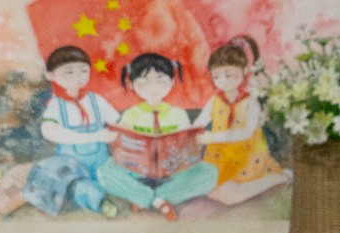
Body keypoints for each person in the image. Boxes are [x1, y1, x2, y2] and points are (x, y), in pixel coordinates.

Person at [96, 52, 218, 220]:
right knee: (105, 171)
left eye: (161, 81)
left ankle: (147, 198)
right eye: (144, 82)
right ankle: (158, 201)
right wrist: (114, 138)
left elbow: (188, 144)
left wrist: (195, 142)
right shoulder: (131, 114)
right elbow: (120, 144)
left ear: (172, 82)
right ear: (132, 85)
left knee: (209, 172)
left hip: (173, 174)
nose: (153, 89)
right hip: (137, 173)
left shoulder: (178, 114)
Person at [22, 45, 120, 218]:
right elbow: (49, 132)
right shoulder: (56, 105)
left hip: (101, 164)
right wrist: (95, 136)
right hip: (71, 169)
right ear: (51, 76)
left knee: (116, 177)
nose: (78, 77)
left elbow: (118, 122)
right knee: (80, 187)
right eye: (69, 72)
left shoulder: (96, 100)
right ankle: (100, 203)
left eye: (83, 71)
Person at [192, 36, 290, 205]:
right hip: (219, 157)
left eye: (228, 75)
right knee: (211, 191)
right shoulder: (214, 101)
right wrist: (187, 134)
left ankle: (279, 178)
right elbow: (198, 124)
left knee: (229, 195)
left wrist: (213, 137)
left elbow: (246, 133)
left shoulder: (251, 102)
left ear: (244, 71)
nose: (223, 81)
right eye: (216, 76)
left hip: (248, 157)